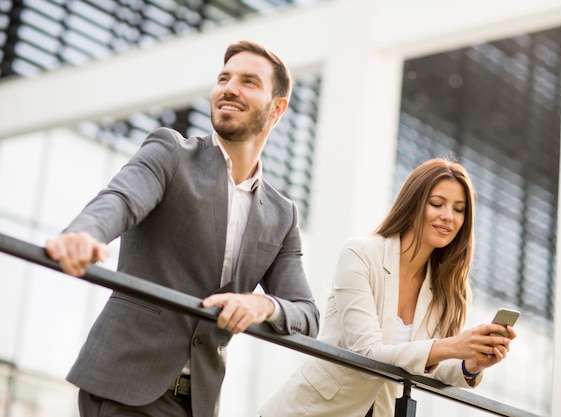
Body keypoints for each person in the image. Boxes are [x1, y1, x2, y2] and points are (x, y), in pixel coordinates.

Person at [44, 40, 320, 417]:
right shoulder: (171, 153)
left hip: (196, 404)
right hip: (124, 386)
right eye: (224, 78)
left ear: (277, 109)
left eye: (248, 81)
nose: (229, 88)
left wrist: (261, 304)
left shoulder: (281, 214)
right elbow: (121, 199)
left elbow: (306, 314)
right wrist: (84, 235)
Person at [259, 158, 517, 417]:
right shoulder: (360, 254)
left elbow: (431, 365)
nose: (448, 216)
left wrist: (471, 363)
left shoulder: (447, 288)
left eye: (459, 209)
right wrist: (453, 346)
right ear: (413, 204)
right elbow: (367, 353)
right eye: (437, 204)